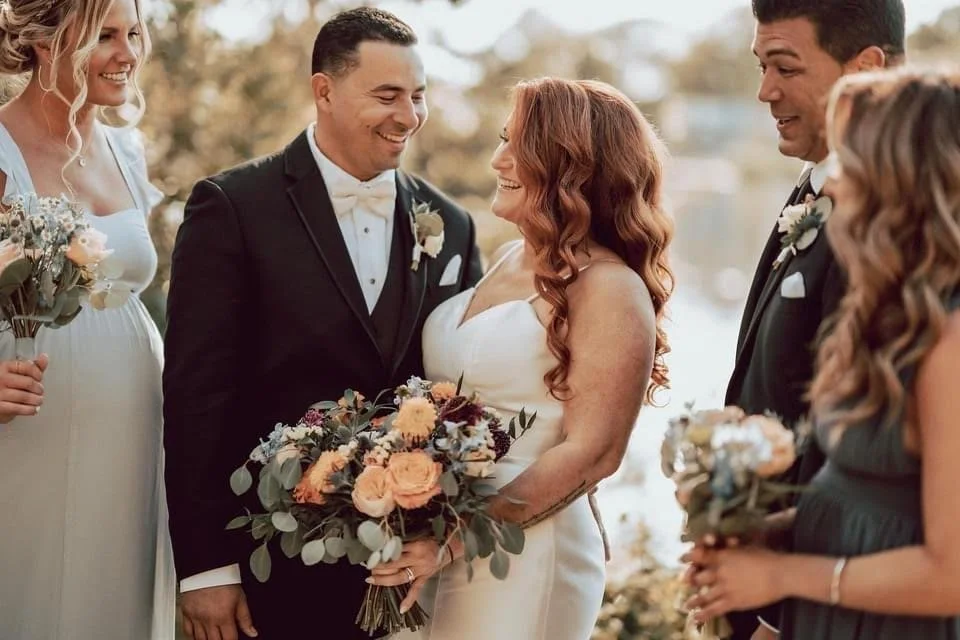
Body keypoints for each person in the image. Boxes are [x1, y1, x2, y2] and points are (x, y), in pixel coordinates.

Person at [162, 7, 483, 640]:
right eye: (386, 95)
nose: (409, 116)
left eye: (417, 96)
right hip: (269, 566)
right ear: (324, 90)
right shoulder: (231, 207)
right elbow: (197, 397)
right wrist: (206, 569)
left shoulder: (450, 223)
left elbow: (464, 390)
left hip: (405, 568)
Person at [367, 77, 674, 640]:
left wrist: (454, 537)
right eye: (502, 139)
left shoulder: (609, 287)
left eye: (518, 146)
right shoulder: (510, 256)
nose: (497, 158)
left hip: (526, 551)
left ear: (570, 167)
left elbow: (594, 452)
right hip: (437, 535)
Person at [687, 65, 960, 640]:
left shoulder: (950, 341)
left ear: (903, 181)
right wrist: (774, 531)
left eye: (848, 164)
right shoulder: (884, 316)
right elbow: (870, 500)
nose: (829, 185)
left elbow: (950, 573)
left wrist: (782, 576)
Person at [722, 1, 904, 637]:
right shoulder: (812, 186)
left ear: (866, 69)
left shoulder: (897, 222)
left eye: (785, 67)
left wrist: (779, 610)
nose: (765, 91)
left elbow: (860, 434)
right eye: (761, 65)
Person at [0, 0, 175, 638]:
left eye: (134, 33)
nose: (127, 53)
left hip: (132, 434)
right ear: (46, 43)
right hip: (21, 432)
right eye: (104, 35)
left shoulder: (128, 150)